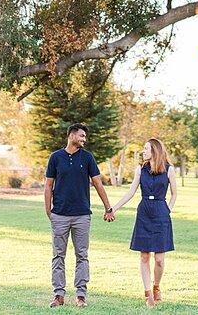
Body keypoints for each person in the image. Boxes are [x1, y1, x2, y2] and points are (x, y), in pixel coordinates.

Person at [44, 122, 116, 308]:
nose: (84, 139)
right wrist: (48, 210)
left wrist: (108, 208)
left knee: (82, 255)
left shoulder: (88, 158)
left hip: (82, 215)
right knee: (58, 255)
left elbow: (98, 184)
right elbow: (48, 185)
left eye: (85, 136)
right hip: (59, 214)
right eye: (81, 136)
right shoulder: (55, 157)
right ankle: (58, 294)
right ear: (71, 136)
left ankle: (81, 294)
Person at [109, 138, 177, 308]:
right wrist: (113, 208)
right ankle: (148, 294)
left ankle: (156, 286)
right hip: (144, 213)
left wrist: (167, 210)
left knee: (160, 259)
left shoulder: (169, 170)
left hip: (161, 213)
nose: (143, 151)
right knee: (144, 256)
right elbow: (131, 192)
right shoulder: (141, 169)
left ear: (155, 151)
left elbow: (175, 194)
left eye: (146, 149)